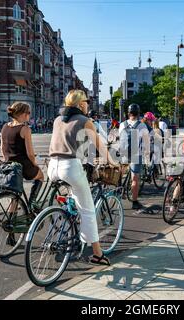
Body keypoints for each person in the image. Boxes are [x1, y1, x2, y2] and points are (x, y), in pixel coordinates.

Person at [48, 90, 118, 266]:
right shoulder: (85, 121)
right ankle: (97, 254)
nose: (88, 104)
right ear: (80, 104)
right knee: (88, 211)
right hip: (70, 167)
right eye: (86, 101)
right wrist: (113, 163)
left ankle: (67, 222)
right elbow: (100, 146)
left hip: (52, 167)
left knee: (74, 199)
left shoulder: (58, 119)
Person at [1, 102, 44, 214]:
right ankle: (32, 203)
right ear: (23, 114)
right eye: (29, 113)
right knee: (40, 175)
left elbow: (2, 148)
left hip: (9, 165)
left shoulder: (5, 126)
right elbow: (30, 153)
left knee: (14, 196)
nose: (29, 115)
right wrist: (35, 164)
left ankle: (11, 223)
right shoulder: (25, 129)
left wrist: (8, 160)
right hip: (23, 165)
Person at [119, 104, 151, 210]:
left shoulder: (122, 125)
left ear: (128, 113)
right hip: (136, 154)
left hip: (123, 153)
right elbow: (146, 143)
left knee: (121, 173)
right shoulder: (142, 126)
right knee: (135, 179)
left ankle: (119, 190)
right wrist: (147, 153)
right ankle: (135, 201)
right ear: (138, 113)